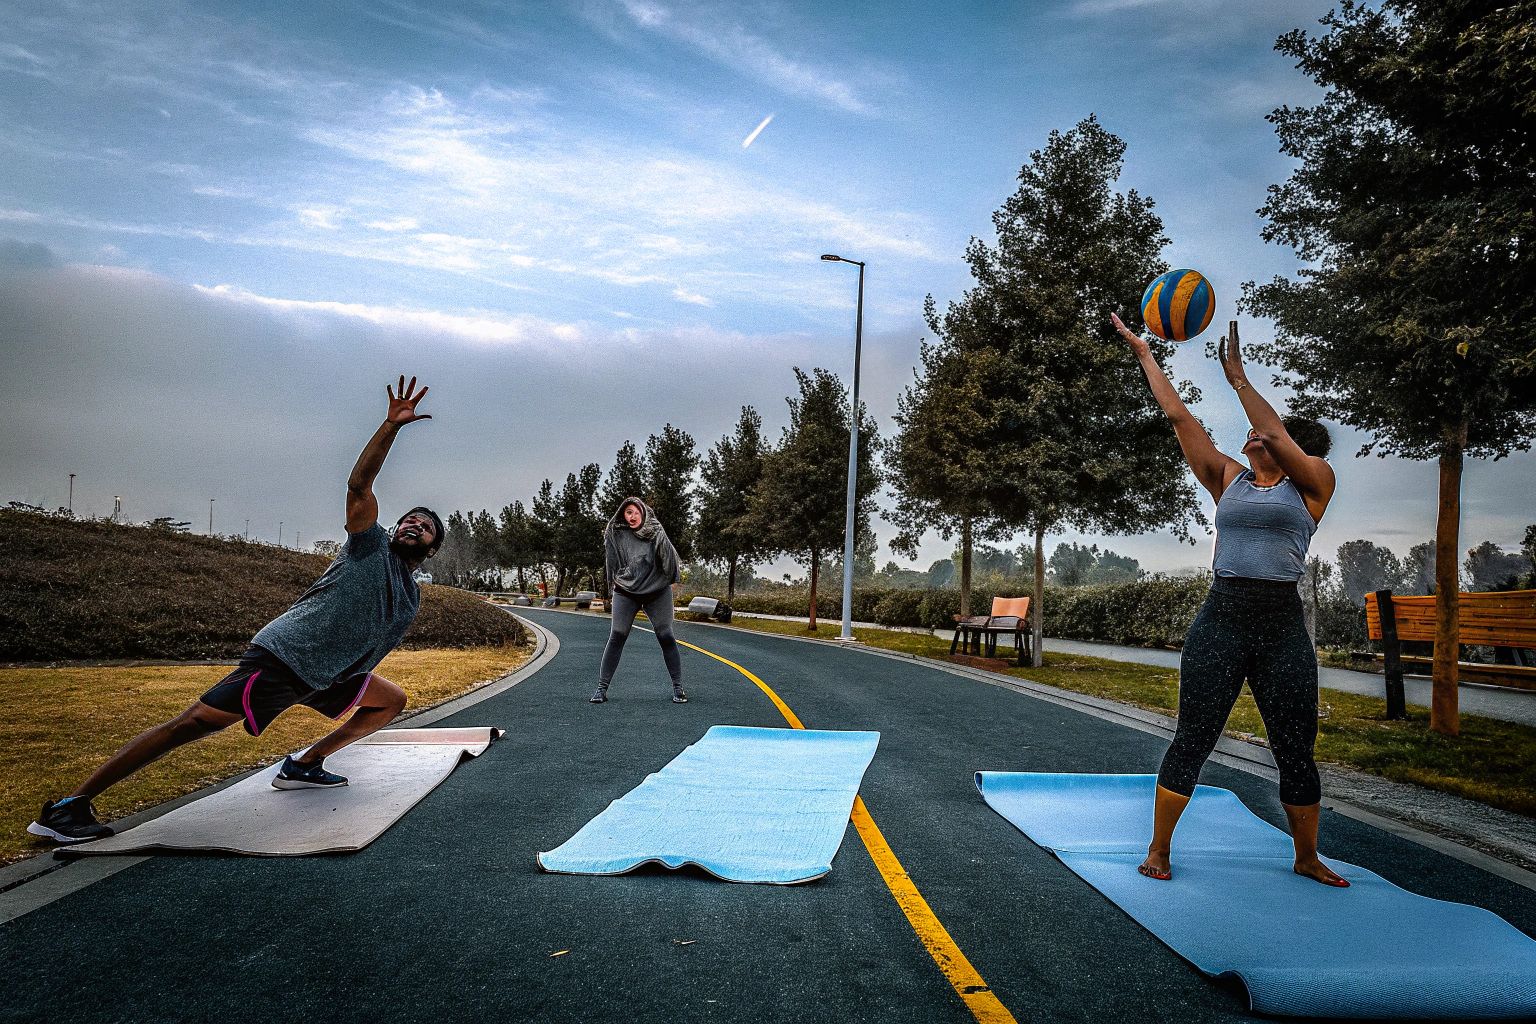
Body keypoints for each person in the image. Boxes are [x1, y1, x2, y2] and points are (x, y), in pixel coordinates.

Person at [29, 376, 442, 844]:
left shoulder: (411, 595)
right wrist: (390, 427)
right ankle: (67, 808)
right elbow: (359, 484)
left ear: (431, 550)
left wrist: (340, 676)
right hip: (286, 659)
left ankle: (304, 764)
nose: (415, 524)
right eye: (410, 519)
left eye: (426, 526)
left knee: (390, 700)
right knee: (188, 727)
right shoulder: (369, 548)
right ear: (393, 529)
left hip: (326, 674)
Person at [1111, 314, 1348, 887]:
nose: (1254, 432)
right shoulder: (1227, 477)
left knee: (1295, 746)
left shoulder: (1313, 483)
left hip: (1280, 625)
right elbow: (1179, 417)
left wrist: (1239, 378)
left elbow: (1275, 431)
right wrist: (1147, 356)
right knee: (1193, 735)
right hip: (1223, 617)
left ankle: (1307, 855)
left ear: (1286, 444)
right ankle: (1159, 848)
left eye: (1269, 430)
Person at [591, 497, 686, 704]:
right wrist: (609, 588)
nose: (632, 517)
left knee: (666, 635)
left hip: (656, 591)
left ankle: (678, 688)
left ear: (643, 512)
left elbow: (670, 562)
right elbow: (611, 562)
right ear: (622, 515)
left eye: (635, 512)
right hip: (626, 590)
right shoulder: (618, 533)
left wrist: (661, 534)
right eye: (628, 513)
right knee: (617, 634)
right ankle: (601, 689)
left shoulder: (655, 531)